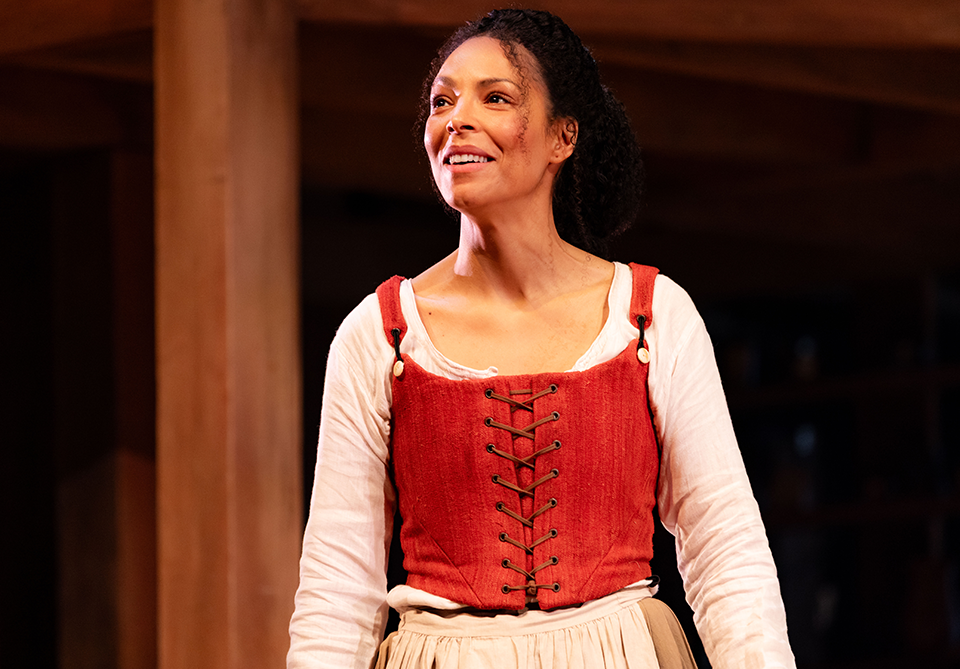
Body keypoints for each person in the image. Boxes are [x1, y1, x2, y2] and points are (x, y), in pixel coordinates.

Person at [288, 9, 795, 669]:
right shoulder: (380, 335)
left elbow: (724, 545)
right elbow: (338, 582)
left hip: (618, 654)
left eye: (495, 97)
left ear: (562, 137)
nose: (456, 119)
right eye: (442, 101)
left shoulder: (652, 316)